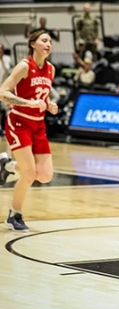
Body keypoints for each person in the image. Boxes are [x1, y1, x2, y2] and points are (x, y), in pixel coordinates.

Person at [0, 30, 58, 232]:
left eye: (50, 41)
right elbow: (2, 93)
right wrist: (28, 103)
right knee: (30, 173)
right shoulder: (25, 66)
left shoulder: (51, 69)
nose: (48, 44)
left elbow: (43, 95)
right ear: (33, 44)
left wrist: (49, 104)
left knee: (45, 175)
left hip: (38, 125)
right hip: (19, 123)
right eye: (44, 40)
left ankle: (7, 166)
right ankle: (14, 215)